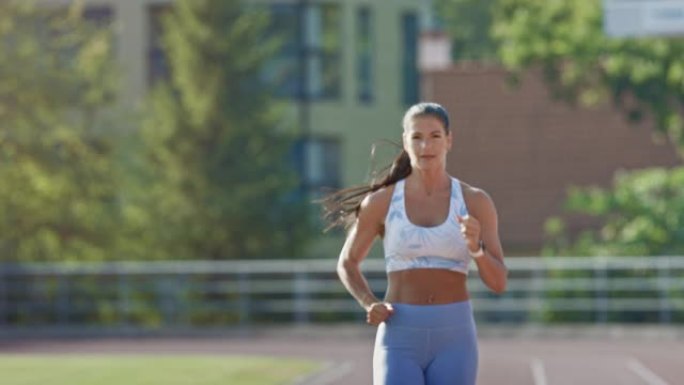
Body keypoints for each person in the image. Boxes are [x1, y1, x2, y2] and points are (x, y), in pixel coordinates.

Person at [319, 102, 508, 385]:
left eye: (434, 136)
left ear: (449, 141)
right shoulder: (381, 202)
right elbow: (347, 262)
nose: (425, 146)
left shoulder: (475, 201)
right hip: (399, 334)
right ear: (405, 142)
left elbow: (499, 282)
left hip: (454, 336)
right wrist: (369, 302)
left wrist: (476, 250)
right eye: (416, 137)